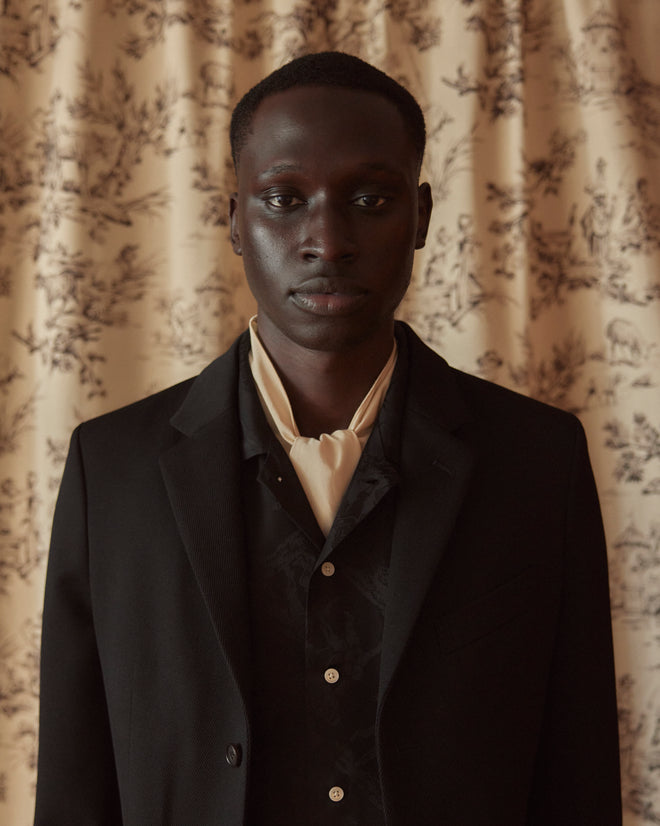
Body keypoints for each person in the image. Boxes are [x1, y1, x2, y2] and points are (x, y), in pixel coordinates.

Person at [34, 52, 621, 825]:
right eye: (283, 199)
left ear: (422, 217)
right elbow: (78, 779)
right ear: (235, 222)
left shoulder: (537, 459)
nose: (327, 240)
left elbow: (576, 769)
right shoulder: (111, 469)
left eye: (371, 199)